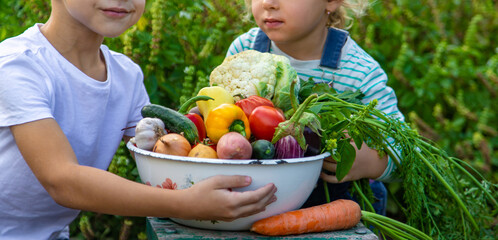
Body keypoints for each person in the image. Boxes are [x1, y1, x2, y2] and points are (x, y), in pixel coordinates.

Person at [0, 0, 277, 238]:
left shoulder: (125, 75)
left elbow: (167, 151)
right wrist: (183, 203)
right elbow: (62, 180)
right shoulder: (19, 65)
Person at [226, 0, 404, 215]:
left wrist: (370, 163)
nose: (268, 3)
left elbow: (405, 153)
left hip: (337, 210)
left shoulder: (358, 72)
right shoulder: (244, 51)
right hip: (259, 202)